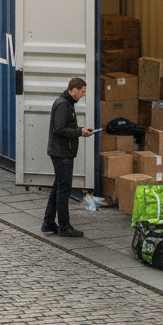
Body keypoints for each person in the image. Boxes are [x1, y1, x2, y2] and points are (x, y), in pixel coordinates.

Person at [42, 77, 93, 238]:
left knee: (58, 188)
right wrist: (80, 132)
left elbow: (64, 127)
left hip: (62, 152)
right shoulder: (64, 104)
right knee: (64, 190)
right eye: (82, 92)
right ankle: (64, 226)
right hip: (61, 153)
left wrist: (80, 129)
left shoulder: (67, 103)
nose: (82, 95)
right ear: (74, 89)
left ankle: (48, 222)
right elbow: (60, 129)